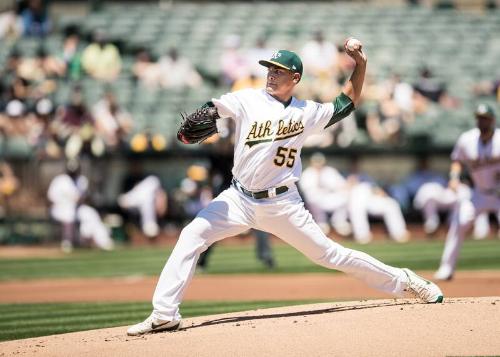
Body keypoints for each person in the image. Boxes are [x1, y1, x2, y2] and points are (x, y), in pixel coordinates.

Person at [127, 40, 443, 336]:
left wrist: (359, 63)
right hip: (237, 198)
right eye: (269, 68)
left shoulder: (306, 112)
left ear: (295, 77)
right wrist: (208, 112)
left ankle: (406, 282)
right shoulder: (248, 98)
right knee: (191, 235)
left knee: (330, 254)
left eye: (278, 71)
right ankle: (165, 314)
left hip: (282, 204)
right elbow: (215, 106)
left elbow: (346, 103)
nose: (271, 74)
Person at [434, 103, 500, 281]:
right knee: (459, 223)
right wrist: (454, 177)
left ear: (492, 120)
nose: (481, 121)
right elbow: (457, 160)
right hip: (477, 193)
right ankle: (446, 269)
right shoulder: (467, 139)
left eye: (485, 118)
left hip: (498, 194)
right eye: (479, 118)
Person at [47, 160, 114, 252]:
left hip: (77, 208)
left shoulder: (82, 180)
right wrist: (67, 201)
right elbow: (51, 197)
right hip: (59, 208)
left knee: (91, 213)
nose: (73, 173)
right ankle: (67, 242)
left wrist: (78, 199)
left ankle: (102, 241)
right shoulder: (60, 180)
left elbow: (82, 198)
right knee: (68, 212)